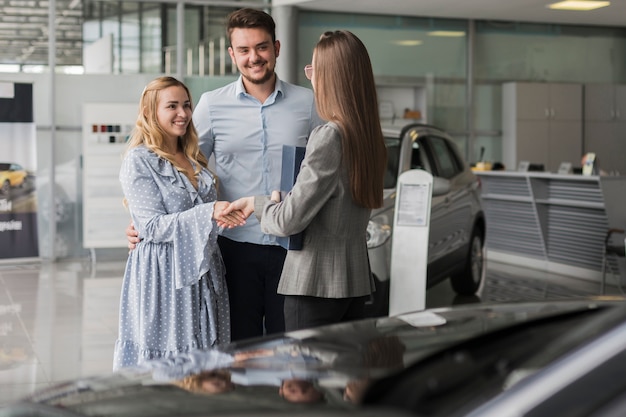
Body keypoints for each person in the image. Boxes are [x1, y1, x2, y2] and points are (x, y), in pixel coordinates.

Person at [126, 8, 322, 341]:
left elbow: (324, 173)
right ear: (232, 54)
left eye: (261, 47)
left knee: (290, 350)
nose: (254, 57)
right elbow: (176, 168)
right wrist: (140, 220)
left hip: (295, 249)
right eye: (244, 50)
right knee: (236, 350)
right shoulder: (210, 106)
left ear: (276, 47)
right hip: (233, 251)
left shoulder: (309, 103)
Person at [224, 30, 387, 331]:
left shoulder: (329, 136)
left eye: (313, 69)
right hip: (353, 282)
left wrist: (259, 204)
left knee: (301, 377)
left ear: (331, 77)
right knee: (341, 374)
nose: (310, 78)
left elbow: (288, 221)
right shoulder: (368, 138)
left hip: (313, 285)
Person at [113, 76, 245, 370]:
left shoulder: (193, 156)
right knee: (169, 359)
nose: (183, 113)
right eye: (171, 106)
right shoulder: (139, 160)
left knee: (207, 358)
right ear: (150, 113)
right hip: (164, 276)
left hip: (205, 271)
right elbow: (151, 227)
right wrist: (209, 212)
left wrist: (222, 217)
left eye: (186, 105)